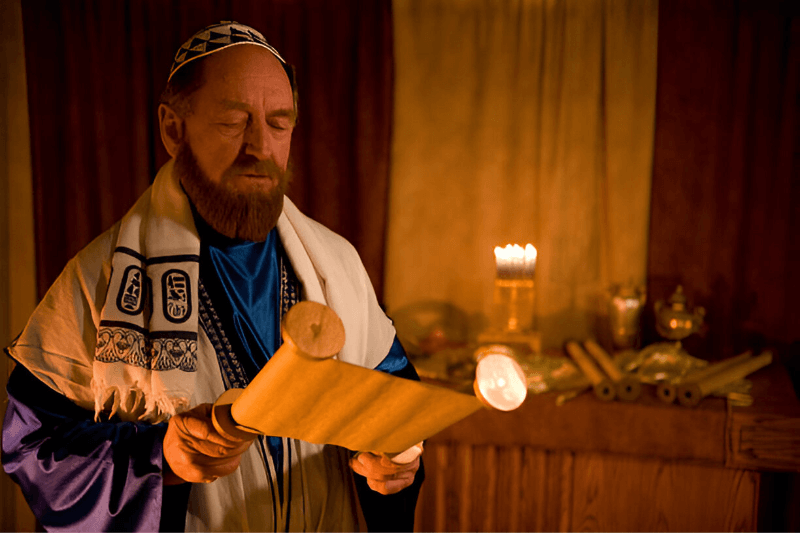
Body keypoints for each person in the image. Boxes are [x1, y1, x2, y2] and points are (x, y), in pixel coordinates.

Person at [2, 21, 423, 532]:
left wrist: (394, 463)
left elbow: (395, 410)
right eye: (232, 122)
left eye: (279, 123)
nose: (259, 148)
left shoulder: (338, 263)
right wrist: (161, 459)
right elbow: (33, 446)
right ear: (172, 129)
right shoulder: (101, 280)